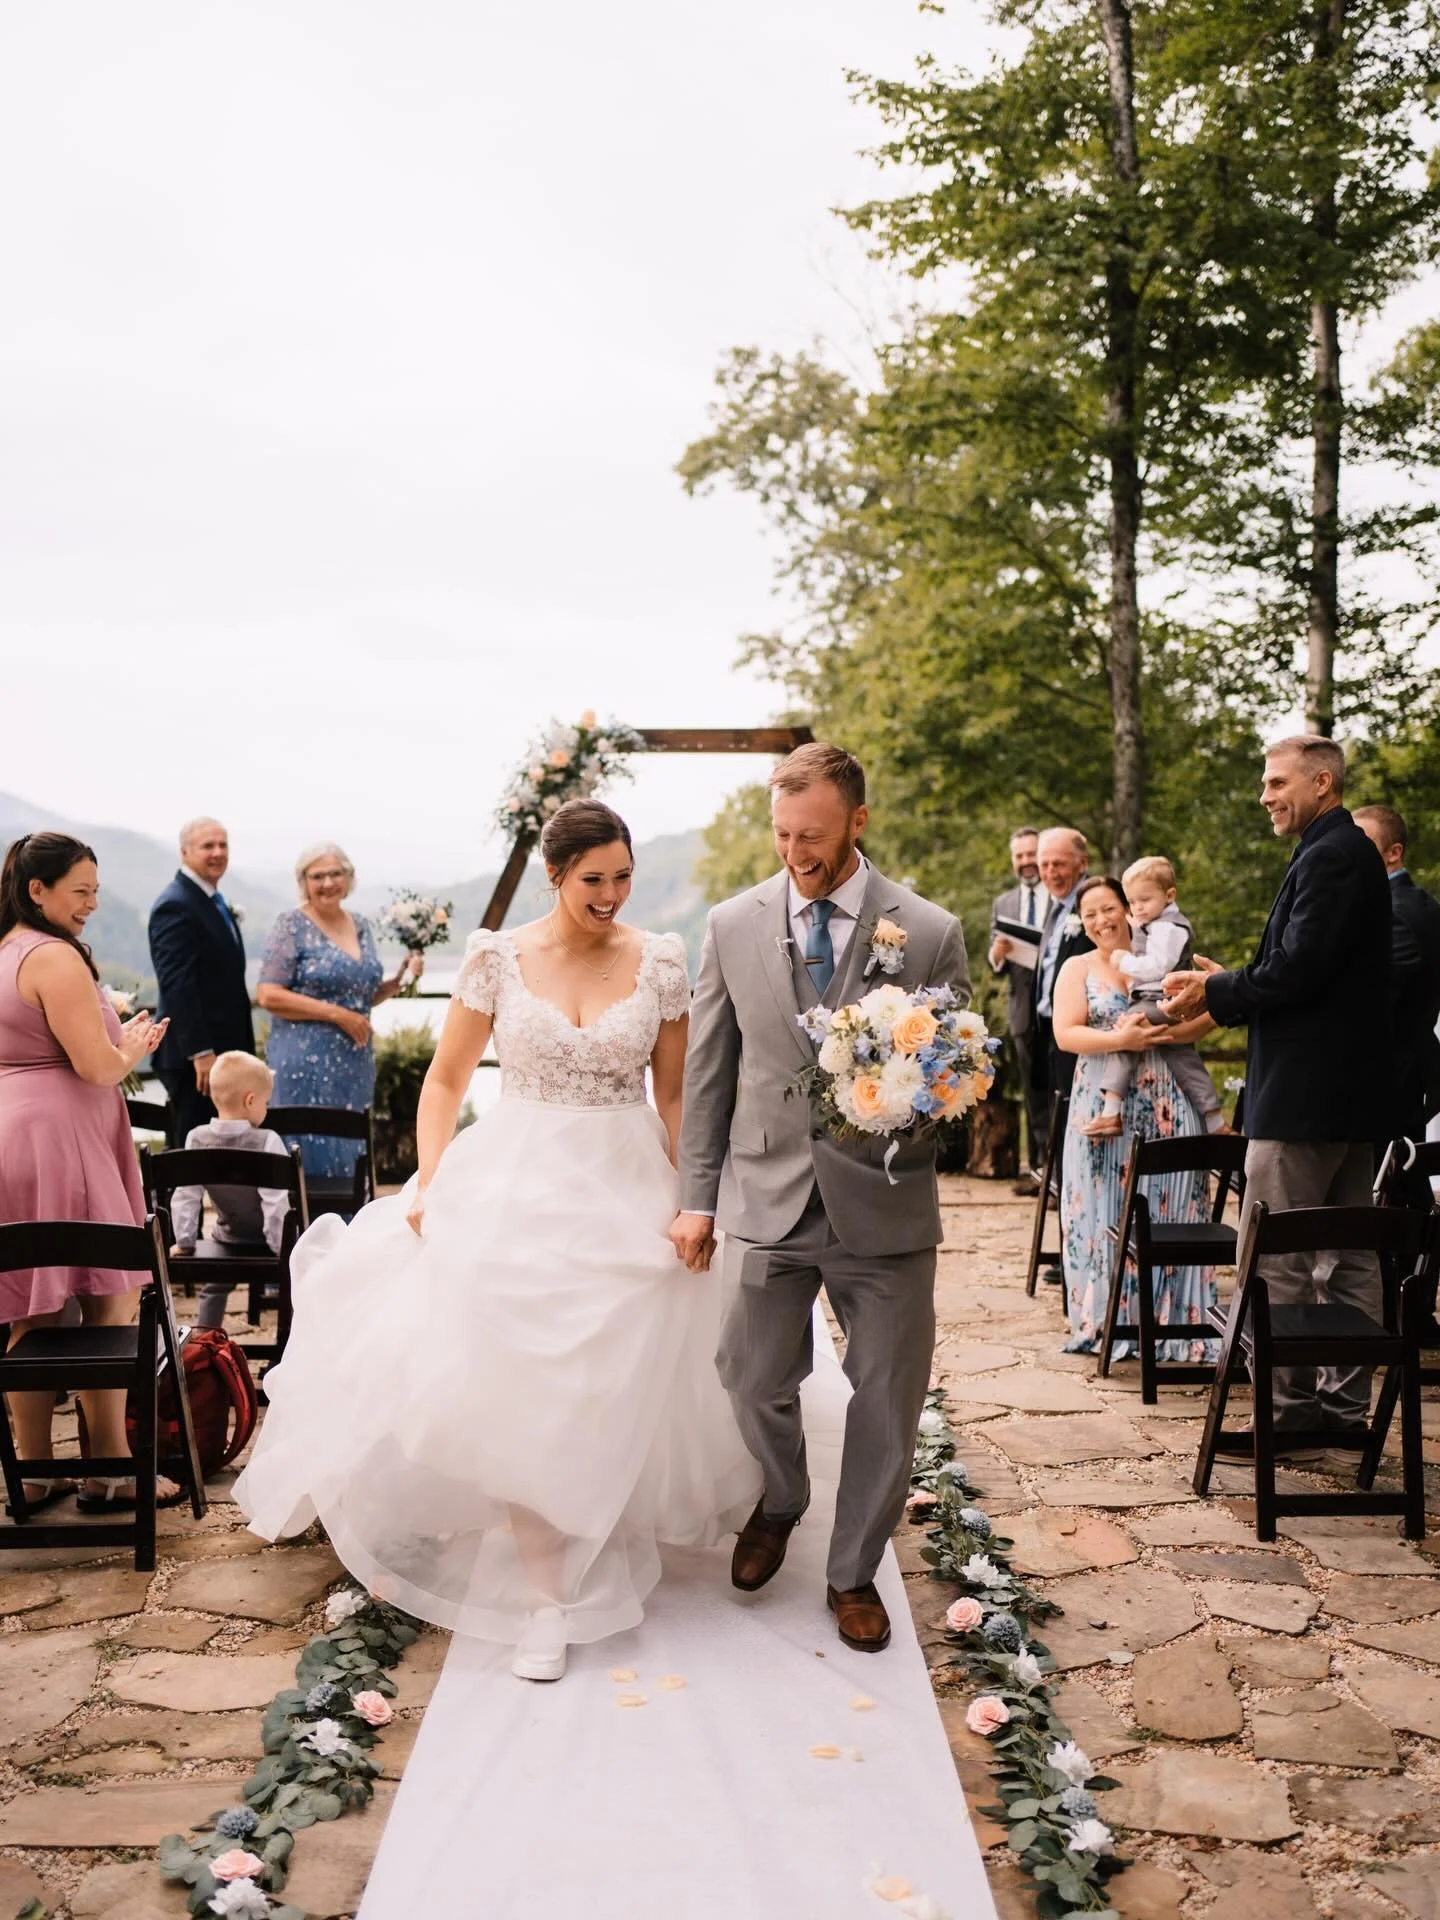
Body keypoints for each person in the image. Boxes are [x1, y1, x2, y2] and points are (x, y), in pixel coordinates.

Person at [235, 800, 757, 1683]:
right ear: (555, 875)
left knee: (615, 1360)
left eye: (623, 878)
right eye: (593, 880)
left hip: (629, 1175)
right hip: (518, 1175)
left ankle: (598, 1514)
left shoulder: (662, 961)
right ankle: (547, 1593)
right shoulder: (496, 959)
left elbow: (675, 1096)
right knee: (523, 1367)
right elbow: (443, 1083)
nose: (611, 895)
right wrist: (433, 1180)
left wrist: (692, 1199)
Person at [671, 742, 970, 1656]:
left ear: (858, 822)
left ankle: (852, 1571)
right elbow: (709, 1074)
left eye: (813, 835)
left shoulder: (928, 931)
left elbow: (954, 1076)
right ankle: (784, 1495)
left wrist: (908, 1098)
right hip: (767, 1195)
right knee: (748, 1374)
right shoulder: (731, 924)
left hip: (885, 1203)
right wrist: (697, 1197)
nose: (796, 853)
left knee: (888, 1395)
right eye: (783, 834)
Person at [1164, 735, 1393, 1444]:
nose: (1264, 796)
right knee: (1351, 1254)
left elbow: (1297, 973)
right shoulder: (1344, 851)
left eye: (1275, 782)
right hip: (1347, 1100)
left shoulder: (1330, 855)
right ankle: (1343, 1415)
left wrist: (1217, 990)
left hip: (1303, 1102)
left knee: (1274, 1258)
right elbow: (1313, 972)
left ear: (1322, 783)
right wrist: (1235, 979)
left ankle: (1289, 1415)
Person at [0, 832, 178, 1513]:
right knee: (112, 1294)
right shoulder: (54, 957)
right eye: (80, 891)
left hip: (15, 1136)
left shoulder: (6, 950)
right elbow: (97, 1068)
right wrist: (129, 1045)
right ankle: (109, 1470)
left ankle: (35, 1469)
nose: (92, 905)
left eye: (96, 892)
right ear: (36, 889)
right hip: (64, 1141)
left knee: (32, 1302)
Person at [1052, 874, 1218, 1356]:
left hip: (1169, 1100)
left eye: (1109, 908)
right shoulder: (1078, 967)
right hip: (1105, 1104)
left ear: (1129, 909)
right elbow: (1066, 1034)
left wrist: (1167, 1033)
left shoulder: (1164, 956)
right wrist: (1120, 1039)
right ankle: (1111, 1322)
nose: (1101, 920)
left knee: (1177, 1203)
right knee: (1104, 1206)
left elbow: (1205, 1019)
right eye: (1089, 914)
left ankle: (1176, 1322)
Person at [256, 843, 419, 1182]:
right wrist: (338, 1015)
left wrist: (397, 982)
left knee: (350, 1149)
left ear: (348, 878)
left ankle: (350, 1216)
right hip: (303, 1062)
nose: (328, 883)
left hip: (354, 1063)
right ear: (304, 882)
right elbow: (268, 994)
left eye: (335, 874)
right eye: (318, 876)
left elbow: (359, 999)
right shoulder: (290, 924)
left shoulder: (360, 924)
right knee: (307, 1150)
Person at [1083, 856, 1226, 1140]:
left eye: (1144, 900)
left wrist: (1124, 961)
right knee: (1184, 1057)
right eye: (1132, 902)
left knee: (1127, 1034)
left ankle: (1111, 1111)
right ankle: (1216, 1122)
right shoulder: (1156, 921)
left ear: (1170, 895)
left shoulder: (1167, 927)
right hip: (1163, 999)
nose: (1138, 908)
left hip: (1158, 999)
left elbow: (1158, 966)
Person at [1353, 804, 1440, 1209]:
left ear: (1394, 852)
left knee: (1395, 1200)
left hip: (1391, 1084)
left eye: (1364, 844)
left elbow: (1371, 1002)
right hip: (1407, 1080)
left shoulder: (1396, 913)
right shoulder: (1414, 904)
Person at [149, 818, 255, 1146]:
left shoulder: (210, 899)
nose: (218, 852)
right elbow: (177, 984)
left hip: (225, 1051)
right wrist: (201, 1052)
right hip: (198, 1062)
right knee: (193, 1152)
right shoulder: (175, 904)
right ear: (185, 852)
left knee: (223, 1152)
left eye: (223, 845)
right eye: (208, 846)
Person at [169, 1051, 290, 1331]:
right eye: (265, 1103)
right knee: (295, 1280)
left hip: (228, 1238)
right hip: (266, 1242)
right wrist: (281, 1247)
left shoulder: (197, 1138)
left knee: (215, 1286)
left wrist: (185, 1241)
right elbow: (275, 1203)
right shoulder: (268, 1141)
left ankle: (204, 1337)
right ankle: (288, 1340)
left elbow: (186, 1195)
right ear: (250, 1100)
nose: (266, 1109)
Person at [988, 827, 1049, 1178]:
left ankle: (1058, 1168)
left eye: (1031, 854)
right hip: (1023, 1008)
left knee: (1059, 1088)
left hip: (1059, 1005)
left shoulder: (1060, 897)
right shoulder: (1004, 903)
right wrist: (997, 954)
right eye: (1020, 856)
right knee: (1031, 1090)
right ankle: (1037, 1167)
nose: (1026, 862)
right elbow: (996, 967)